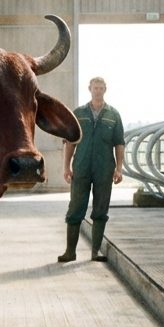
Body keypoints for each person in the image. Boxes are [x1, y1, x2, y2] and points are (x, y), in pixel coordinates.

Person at [59, 77, 124, 263]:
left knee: (101, 209)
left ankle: (95, 251)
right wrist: (66, 167)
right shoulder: (78, 113)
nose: (98, 90)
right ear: (89, 89)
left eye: (101, 87)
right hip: (81, 167)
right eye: (95, 87)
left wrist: (119, 169)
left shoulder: (113, 115)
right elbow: (70, 142)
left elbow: (119, 143)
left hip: (104, 168)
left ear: (105, 90)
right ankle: (70, 252)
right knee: (75, 208)